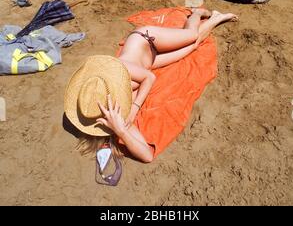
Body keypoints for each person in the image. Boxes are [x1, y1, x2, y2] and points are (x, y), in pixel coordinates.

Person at [64, 9, 237, 164]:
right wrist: (122, 131)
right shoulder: (114, 118)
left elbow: (149, 77)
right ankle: (215, 19)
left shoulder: (117, 72)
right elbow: (147, 156)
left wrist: (134, 106)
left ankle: (196, 14)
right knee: (193, 46)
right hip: (149, 61)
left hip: (146, 39)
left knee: (191, 35)